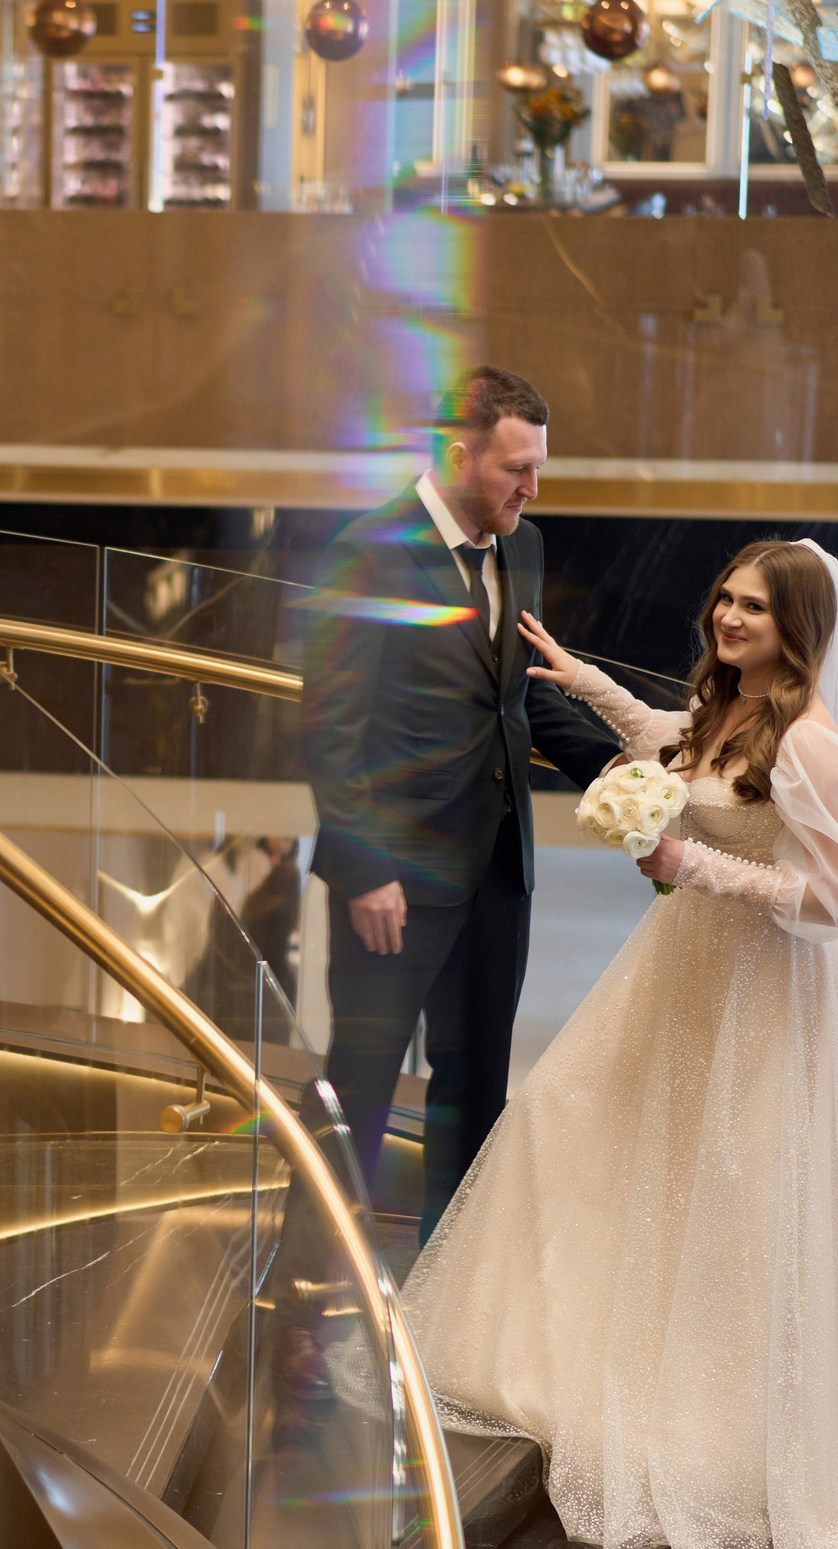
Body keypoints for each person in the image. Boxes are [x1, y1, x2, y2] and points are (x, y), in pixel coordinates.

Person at [403, 539, 838, 1549]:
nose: (729, 620)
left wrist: (695, 868)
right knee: (570, 1126)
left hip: (760, 1000)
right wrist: (580, 680)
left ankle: (719, 1425)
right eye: (724, 600)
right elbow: (676, 751)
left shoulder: (821, 748)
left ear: (799, 630)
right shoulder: (728, 707)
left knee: (727, 1196)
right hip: (682, 981)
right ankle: (568, 1357)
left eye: (755, 610)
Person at [300, 365, 618, 1231]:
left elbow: (522, 694)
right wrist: (364, 870)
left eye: (538, 467)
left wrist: (628, 773)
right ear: (456, 452)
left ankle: (447, 1294)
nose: (533, 486)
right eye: (517, 468)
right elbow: (334, 727)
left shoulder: (524, 544)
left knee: (475, 1085)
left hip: (496, 871)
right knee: (358, 1086)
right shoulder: (366, 552)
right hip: (393, 882)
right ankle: (305, 1293)